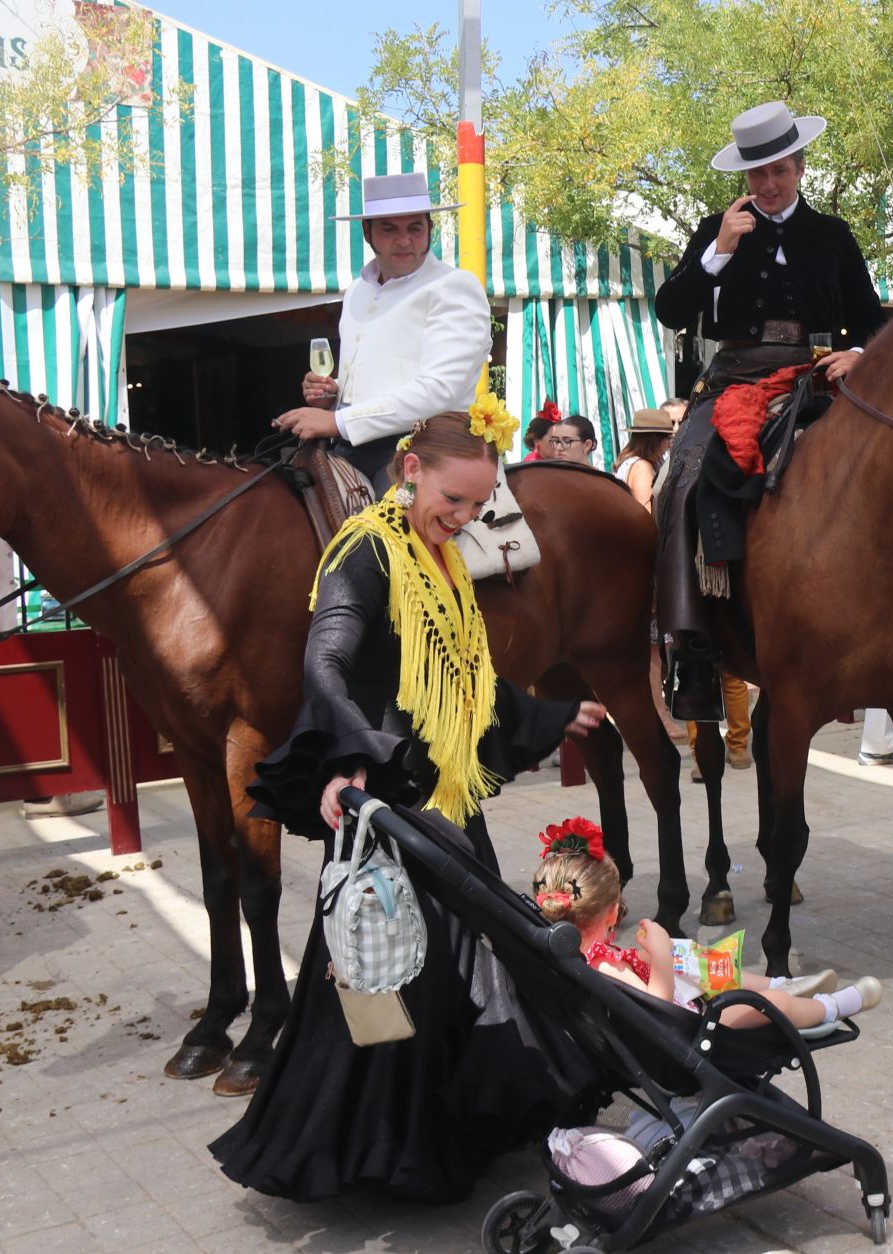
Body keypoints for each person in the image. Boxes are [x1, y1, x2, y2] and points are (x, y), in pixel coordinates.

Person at [210, 410, 610, 1203]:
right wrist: (349, 757)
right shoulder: (364, 553)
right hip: (387, 800)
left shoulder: (443, 561)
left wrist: (548, 714)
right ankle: (377, 1149)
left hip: (445, 799)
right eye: (454, 500)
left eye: (477, 505)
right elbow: (325, 660)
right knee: (386, 978)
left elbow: (470, 676)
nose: (463, 519)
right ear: (409, 470)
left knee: (455, 967)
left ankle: (442, 1132)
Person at [652, 101, 886, 720]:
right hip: (733, 375)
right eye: (757, 175)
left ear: (800, 167)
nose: (768, 185)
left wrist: (857, 352)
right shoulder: (715, 228)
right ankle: (691, 646)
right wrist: (717, 254)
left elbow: (869, 316)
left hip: (818, 374)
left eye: (779, 171)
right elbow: (672, 311)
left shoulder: (833, 234)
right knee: (681, 480)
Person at [532, 828, 879, 1029]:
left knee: (703, 967)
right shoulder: (603, 964)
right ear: (611, 913)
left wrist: (653, 959)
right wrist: (662, 952)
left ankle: (786, 983)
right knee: (770, 1005)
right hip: (687, 1031)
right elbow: (657, 1007)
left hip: (674, 1018)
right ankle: (831, 1006)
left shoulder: (569, 952)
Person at [274, 172, 489, 487]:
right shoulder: (357, 290)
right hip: (350, 445)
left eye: (414, 228)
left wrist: (337, 421)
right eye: (389, 229)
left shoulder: (454, 286)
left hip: (425, 449)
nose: (404, 240)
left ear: (430, 228)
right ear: (367, 231)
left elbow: (440, 391)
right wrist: (333, 396)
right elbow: (379, 377)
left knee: (382, 533)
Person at [614, 408, 690, 743]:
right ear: (657, 439)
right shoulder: (644, 468)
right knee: (652, 650)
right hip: (647, 563)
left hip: (630, 561)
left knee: (648, 649)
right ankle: (657, 715)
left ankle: (649, 714)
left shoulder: (625, 464)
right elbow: (648, 514)